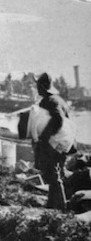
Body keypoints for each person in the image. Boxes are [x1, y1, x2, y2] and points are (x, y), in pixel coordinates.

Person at [34, 72, 76, 210]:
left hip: (54, 143)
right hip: (63, 143)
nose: (36, 88)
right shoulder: (58, 99)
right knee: (55, 174)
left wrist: (45, 136)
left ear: (42, 87)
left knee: (54, 175)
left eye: (38, 85)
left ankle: (62, 208)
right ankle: (53, 207)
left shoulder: (51, 101)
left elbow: (58, 119)